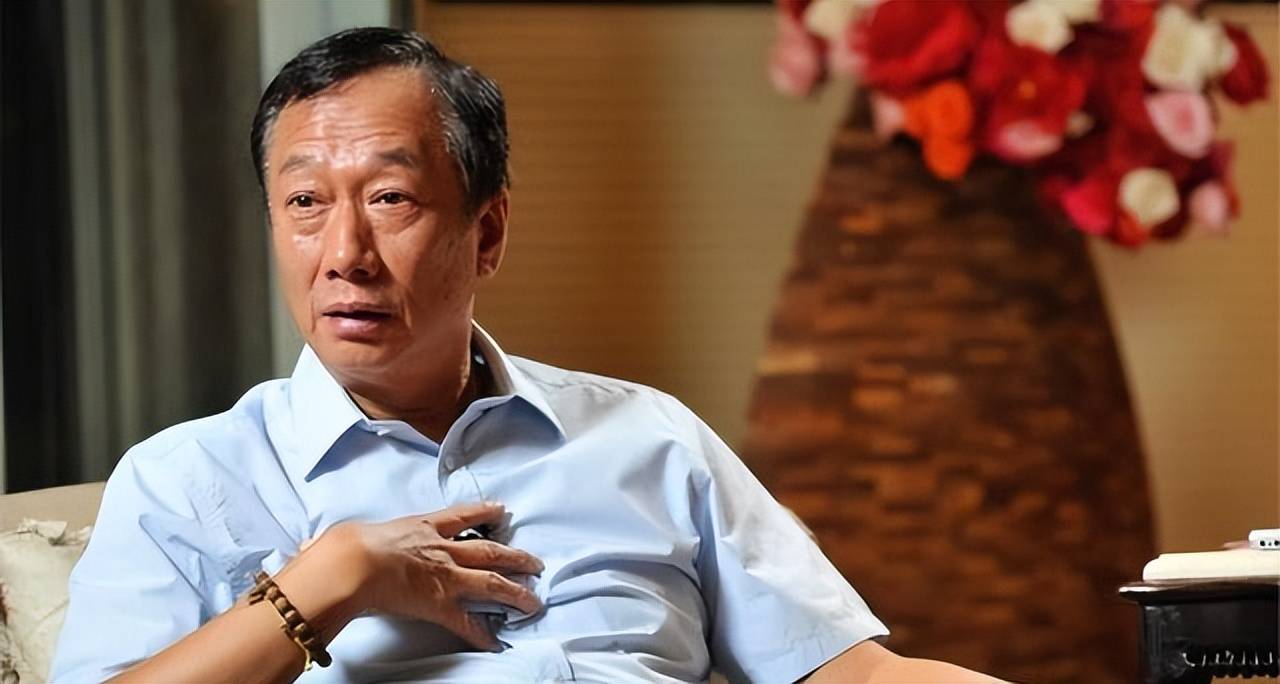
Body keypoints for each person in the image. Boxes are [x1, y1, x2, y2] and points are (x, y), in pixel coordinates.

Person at [50, 27, 997, 684]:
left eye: (390, 199)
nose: (343, 254)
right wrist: (330, 580)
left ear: (488, 232)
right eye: (304, 204)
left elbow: (847, 671)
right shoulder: (188, 480)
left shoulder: (649, 438)